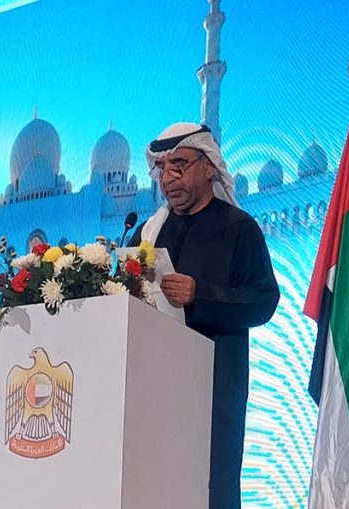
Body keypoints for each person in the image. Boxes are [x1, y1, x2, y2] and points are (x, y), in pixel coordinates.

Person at [127, 122, 280, 508]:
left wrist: (201, 296)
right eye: (161, 168)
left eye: (178, 165)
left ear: (209, 165)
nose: (167, 179)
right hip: (153, 390)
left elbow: (263, 301)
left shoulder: (239, 229)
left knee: (211, 489)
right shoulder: (147, 234)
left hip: (214, 391)